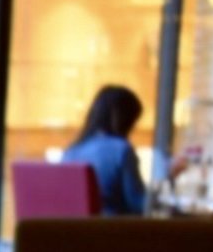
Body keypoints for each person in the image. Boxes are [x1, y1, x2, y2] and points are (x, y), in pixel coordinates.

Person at [60, 84, 148, 216]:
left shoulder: (72, 151)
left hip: (76, 231)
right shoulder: (121, 149)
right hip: (112, 231)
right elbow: (138, 203)